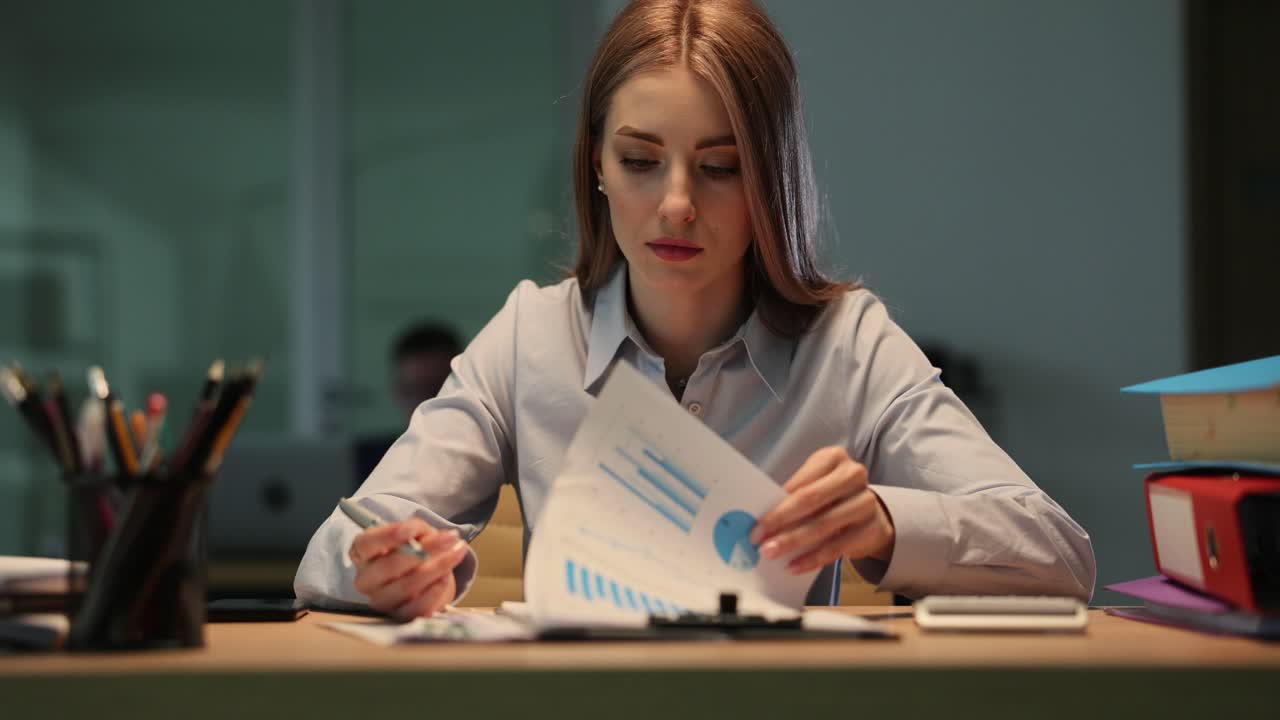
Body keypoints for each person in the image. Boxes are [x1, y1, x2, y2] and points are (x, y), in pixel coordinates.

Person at [296, 0, 1095, 619]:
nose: (675, 204)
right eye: (641, 161)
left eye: (720, 167)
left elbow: (1060, 554)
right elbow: (333, 549)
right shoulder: (532, 336)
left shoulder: (848, 345)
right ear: (598, 169)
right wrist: (383, 560)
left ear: (771, 183)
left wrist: (887, 522)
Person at [353, 322, 463, 484]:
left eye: (435, 391)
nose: (423, 406)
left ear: (461, 389)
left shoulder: (491, 464)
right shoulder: (367, 461)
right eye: (413, 392)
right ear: (397, 392)